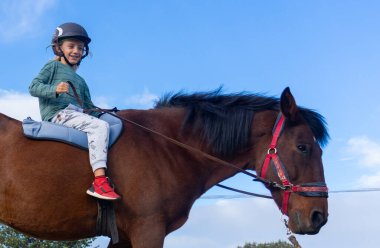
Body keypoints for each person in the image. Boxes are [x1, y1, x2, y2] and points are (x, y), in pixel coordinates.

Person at [29, 22, 121, 201]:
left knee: (106, 122)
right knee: (99, 127)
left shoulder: (81, 81)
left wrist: (107, 114)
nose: (76, 50)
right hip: (58, 114)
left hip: (76, 115)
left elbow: (89, 106)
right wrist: (54, 89)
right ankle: (100, 182)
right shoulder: (52, 67)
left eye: (80, 47)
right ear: (59, 48)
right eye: (71, 46)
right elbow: (33, 87)